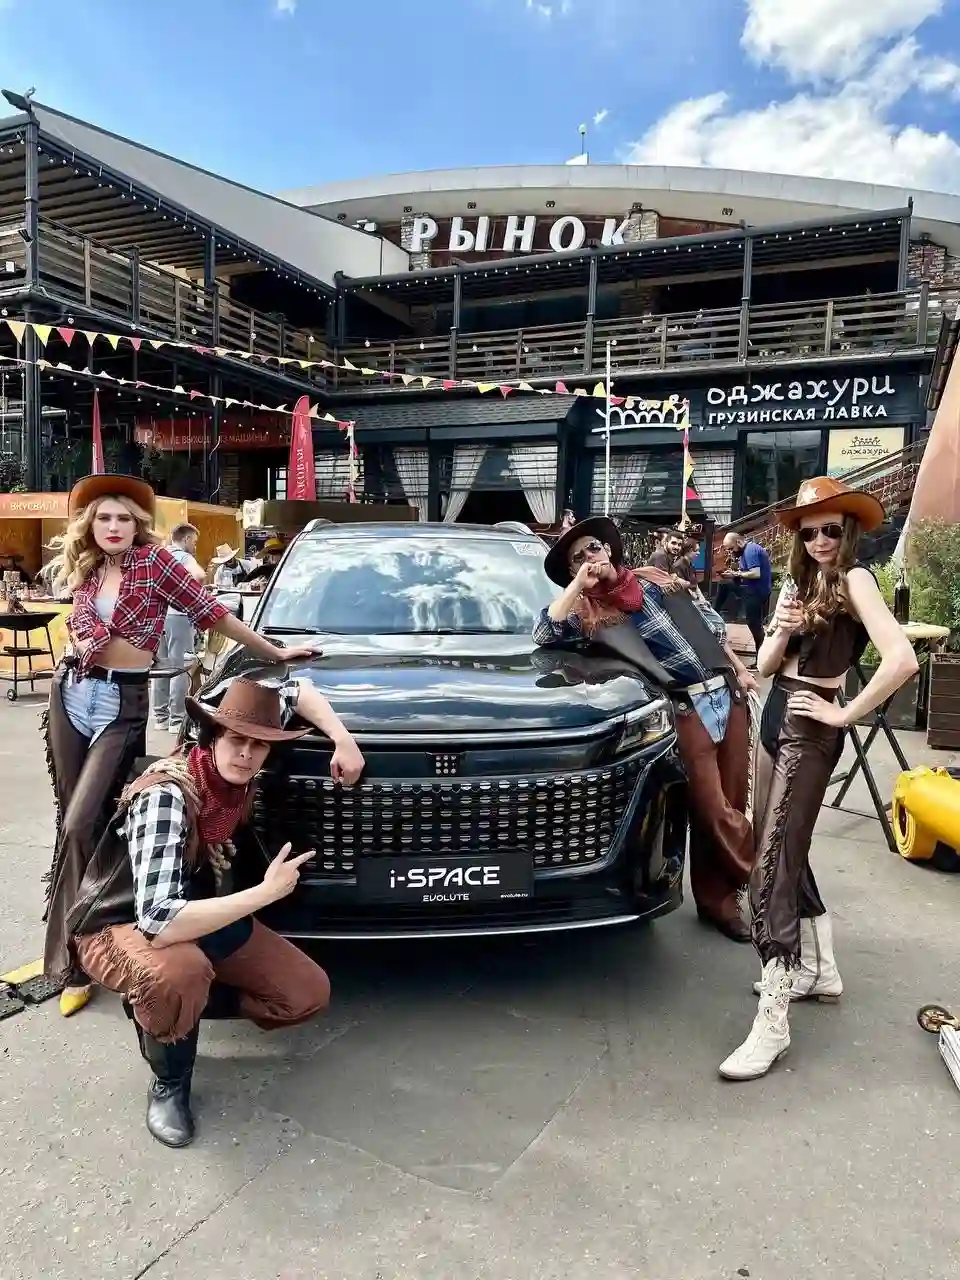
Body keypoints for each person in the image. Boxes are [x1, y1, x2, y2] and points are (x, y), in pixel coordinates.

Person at [43, 474, 322, 1019]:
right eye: (104, 518)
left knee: (83, 823)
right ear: (90, 525)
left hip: (122, 701)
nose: (113, 527)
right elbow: (79, 627)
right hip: (70, 691)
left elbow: (212, 612)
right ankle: (74, 957)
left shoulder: (159, 563)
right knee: (71, 825)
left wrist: (274, 652)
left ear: (139, 525)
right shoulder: (90, 567)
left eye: (124, 518)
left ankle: (87, 944)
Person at [65, 676, 365, 1148]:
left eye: (259, 744)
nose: (246, 753)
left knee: (305, 994)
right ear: (210, 737)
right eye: (236, 740)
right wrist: (264, 894)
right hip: (120, 922)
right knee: (179, 973)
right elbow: (159, 921)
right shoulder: (167, 795)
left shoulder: (233, 782)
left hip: (199, 907)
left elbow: (297, 688)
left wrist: (343, 740)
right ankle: (169, 1080)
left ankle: (170, 1009)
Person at [719, 477, 918, 1081]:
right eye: (810, 533)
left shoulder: (857, 580)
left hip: (811, 728)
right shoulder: (797, 583)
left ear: (848, 530)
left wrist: (843, 712)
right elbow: (766, 665)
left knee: (770, 869)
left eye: (831, 529)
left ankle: (774, 1019)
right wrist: (780, 628)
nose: (821, 540)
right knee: (782, 847)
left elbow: (902, 659)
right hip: (773, 715)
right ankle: (820, 971)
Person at [534, 516, 759, 942]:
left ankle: (720, 902)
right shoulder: (587, 611)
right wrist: (579, 584)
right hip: (683, 706)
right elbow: (545, 632)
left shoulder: (653, 579)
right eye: (577, 558)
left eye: (593, 548)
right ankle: (772, 872)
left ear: (608, 549)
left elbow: (711, 627)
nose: (589, 557)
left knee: (732, 799)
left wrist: (739, 669)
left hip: (725, 693)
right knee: (711, 808)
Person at [151, 523, 204, 736]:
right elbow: (199, 575)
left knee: (161, 666)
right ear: (186, 539)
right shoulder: (183, 557)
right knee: (180, 666)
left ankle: (160, 717)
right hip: (178, 616)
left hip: (157, 616)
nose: (195, 546)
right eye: (195, 542)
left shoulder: (160, 555)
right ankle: (177, 719)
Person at [720, 532, 773, 660]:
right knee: (724, 585)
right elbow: (748, 572)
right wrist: (736, 573)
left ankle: (762, 658)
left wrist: (736, 574)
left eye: (731, 548)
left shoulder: (750, 551)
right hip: (754, 590)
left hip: (756, 592)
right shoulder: (748, 550)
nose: (731, 552)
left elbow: (755, 573)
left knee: (755, 626)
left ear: (738, 542)